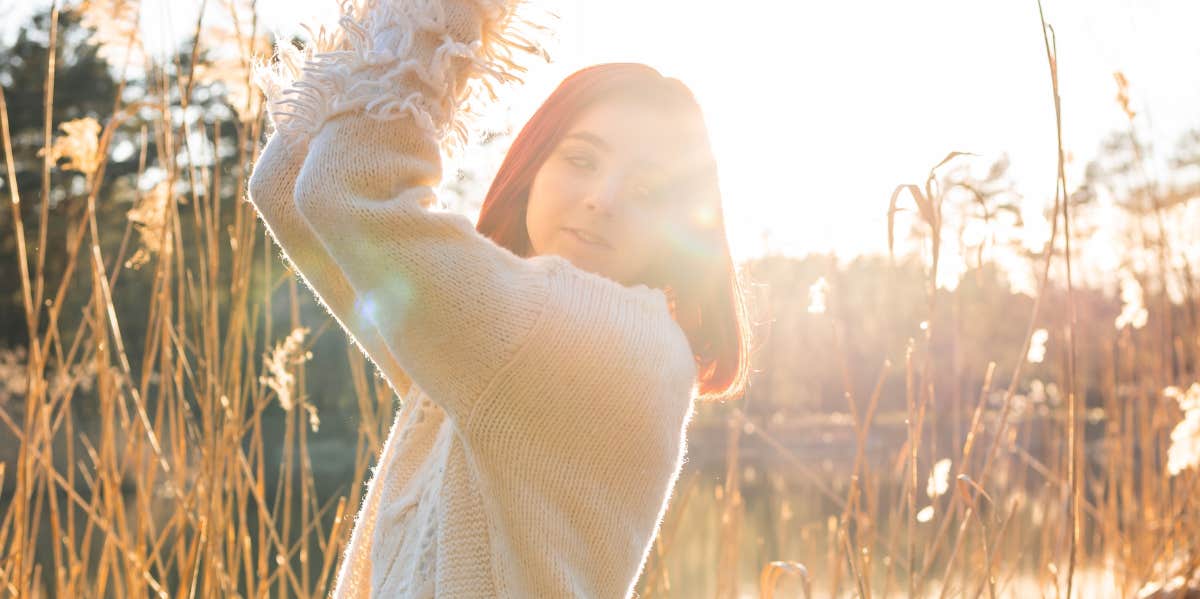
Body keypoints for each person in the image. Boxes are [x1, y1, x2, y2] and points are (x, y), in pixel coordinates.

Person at [246, 0, 749, 596]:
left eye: (646, 188)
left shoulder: (609, 342)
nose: (604, 198)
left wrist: (445, 12)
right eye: (582, 159)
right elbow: (287, 189)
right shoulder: (492, 352)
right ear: (533, 167)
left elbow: (345, 190)